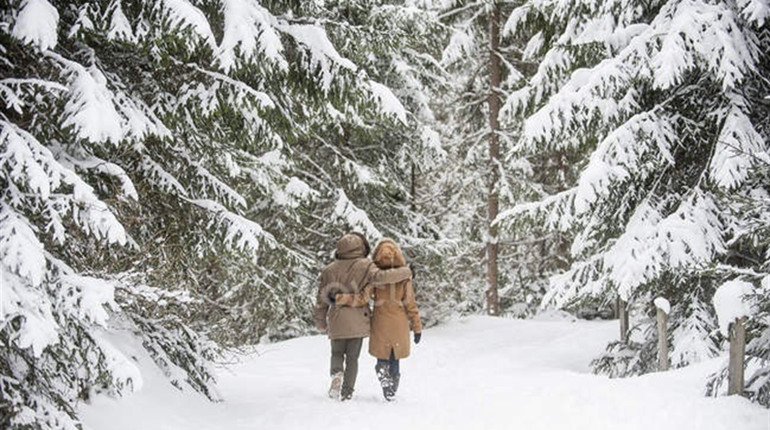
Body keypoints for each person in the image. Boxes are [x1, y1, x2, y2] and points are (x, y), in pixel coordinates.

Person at [313, 233, 412, 401]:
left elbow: (321, 299)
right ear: (361, 247)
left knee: (336, 353)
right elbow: (383, 277)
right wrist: (406, 271)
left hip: (337, 320)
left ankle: (336, 374)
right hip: (358, 319)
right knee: (352, 358)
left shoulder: (329, 270)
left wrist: (321, 321)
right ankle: (347, 391)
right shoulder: (366, 265)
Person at [336, 238, 422, 401]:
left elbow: (362, 298)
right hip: (399, 323)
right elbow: (410, 305)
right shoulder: (404, 278)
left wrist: (340, 298)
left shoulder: (375, 278)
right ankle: (392, 388)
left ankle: (383, 374)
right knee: (394, 356)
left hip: (380, 322)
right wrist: (417, 328)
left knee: (382, 356)